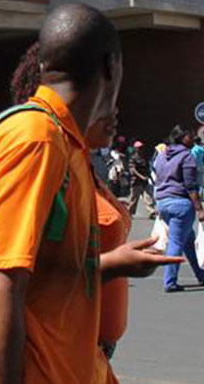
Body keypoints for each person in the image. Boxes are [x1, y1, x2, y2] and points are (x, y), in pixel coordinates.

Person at [0, 4, 177, 384]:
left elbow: (46, 277)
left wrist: (111, 264)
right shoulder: (35, 140)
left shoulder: (66, 142)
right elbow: (3, 289)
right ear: (111, 67)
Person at [87, 111, 132, 363]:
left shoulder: (85, 164)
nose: (114, 113)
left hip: (98, 346)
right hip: (75, 341)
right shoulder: (48, 159)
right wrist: (115, 263)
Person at [153, 125, 204, 293]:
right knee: (176, 243)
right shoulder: (187, 156)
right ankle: (170, 281)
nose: (192, 139)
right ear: (180, 138)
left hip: (163, 202)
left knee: (188, 240)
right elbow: (191, 186)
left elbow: (157, 177)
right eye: (189, 136)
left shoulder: (163, 155)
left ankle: (201, 274)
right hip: (180, 204)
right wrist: (199, 208)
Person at [127, 141, 155, 218]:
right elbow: (133, 169)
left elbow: (147, 169)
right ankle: (129, 212)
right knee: (134, 199)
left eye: (141, 148)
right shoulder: (133, 158)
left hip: (144, 181)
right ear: (135, 149)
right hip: (136, 181)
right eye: (139, 148)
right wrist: (141, 176)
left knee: (148, 197)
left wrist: (150, 178)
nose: (140, 149)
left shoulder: (144, 158)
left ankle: (152, 212)